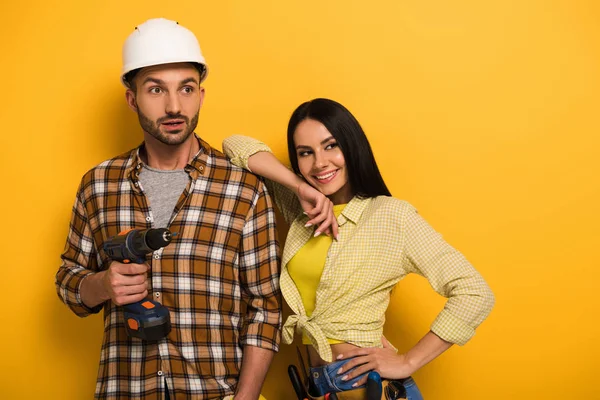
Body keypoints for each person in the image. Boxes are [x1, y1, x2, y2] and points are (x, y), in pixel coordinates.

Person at [55, 18, 281, 400]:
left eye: (186, 89)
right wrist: (101, 284)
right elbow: (68, 281)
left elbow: (265, 310)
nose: (174, 106)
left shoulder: (243, 189)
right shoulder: (98, 184)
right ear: (132, 98)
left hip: (214, 393)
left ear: (201, 95)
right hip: (124, 389)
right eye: (156, 89)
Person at [223, 98, 495, 399]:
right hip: (317, 385)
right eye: (305, 153)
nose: (320, 163)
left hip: (363, 387)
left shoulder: (391, 216)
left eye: (331, 146)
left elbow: (475, 292)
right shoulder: (302, 209)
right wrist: (297, 185)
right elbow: (235, 146)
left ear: (352, 146)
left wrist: (408, 361)